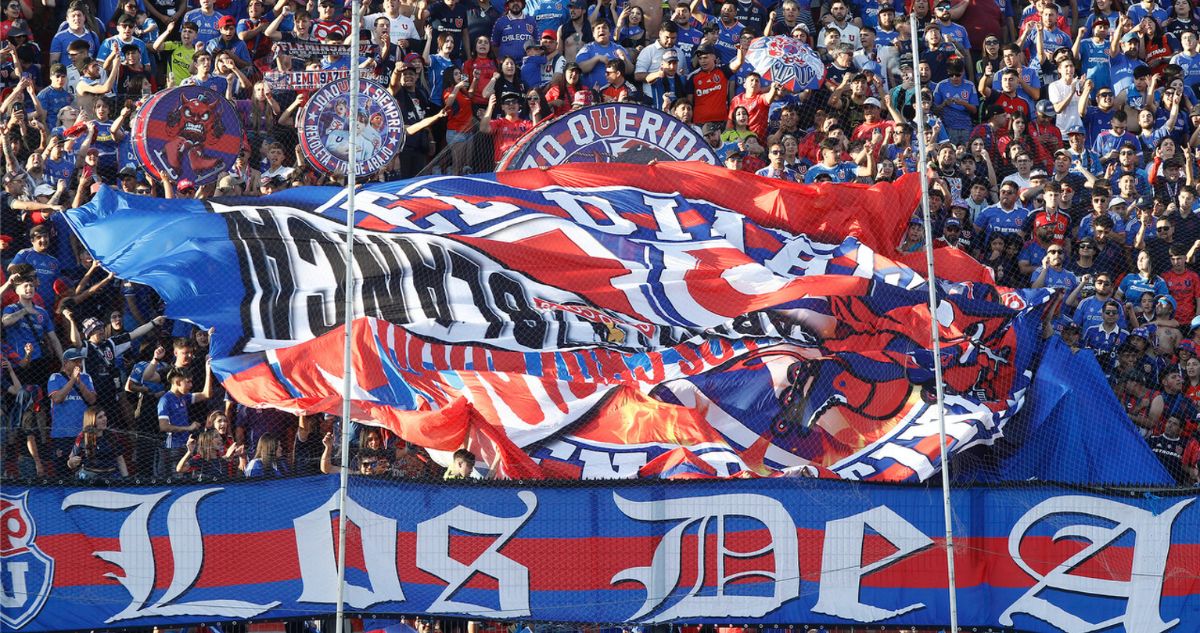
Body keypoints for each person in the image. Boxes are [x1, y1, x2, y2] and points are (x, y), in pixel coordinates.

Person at [156, 358, 213, 479]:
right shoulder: (165, 400)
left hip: (185, 445)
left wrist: (208, 371)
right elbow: (163, 426)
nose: (191, 385)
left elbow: (206, 394)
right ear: (177, 382)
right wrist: (188, 428)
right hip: (173, 447)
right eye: (188, 382)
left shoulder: (184, 397)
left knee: (186, 478)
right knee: (176, 479)